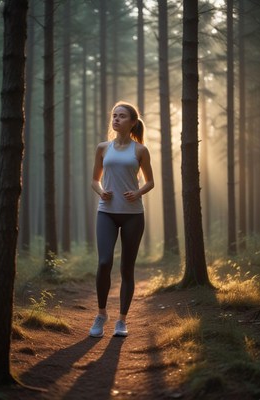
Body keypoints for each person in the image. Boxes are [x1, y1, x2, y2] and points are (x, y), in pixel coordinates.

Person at [89, 101, 154, 338]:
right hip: (106, 211)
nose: (116, 119)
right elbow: (94, 180)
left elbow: (150, 182)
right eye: (114, 115)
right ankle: (101, 314)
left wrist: (138, 192)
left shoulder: (140, 150)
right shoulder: (103, 148)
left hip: (133, 216)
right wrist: (100, 191)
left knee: (127, 268)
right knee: (104, 261)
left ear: (133, 122)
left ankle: (122, 320)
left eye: (122, 116)